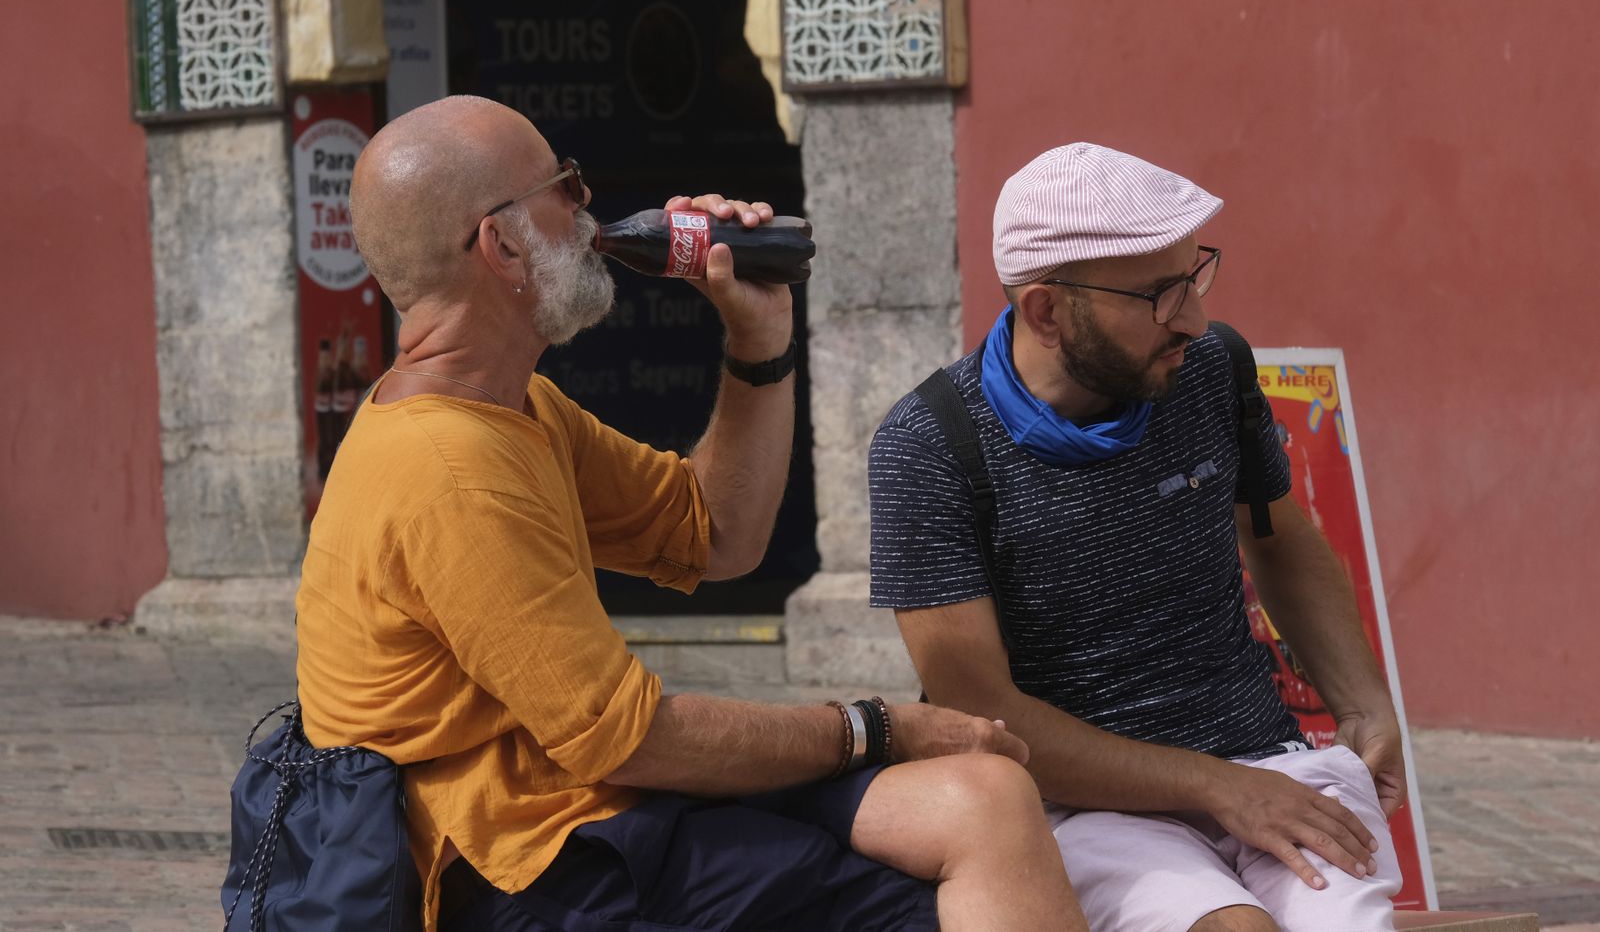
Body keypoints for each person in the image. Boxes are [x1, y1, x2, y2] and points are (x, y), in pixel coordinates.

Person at [295, 95, 1087, 932]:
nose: (588, 205)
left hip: (601, 813)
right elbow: (628, 739)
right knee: (922, 902)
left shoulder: (519, 408)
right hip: (536, 869)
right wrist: (875, 727)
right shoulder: (448, 469)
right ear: (501, 245)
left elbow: (715, 533)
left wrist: (759, 338)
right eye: (564, 185)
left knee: (985, 797)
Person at [868, 142, 1406, 932]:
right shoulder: (931, 447)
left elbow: (1278, 535)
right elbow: (981, 711)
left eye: (1196, 277)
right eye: (1158, 294)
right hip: (1081, 807)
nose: (1192, 316)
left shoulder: (1215, 367)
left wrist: (1365, 703)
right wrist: (1215, 786)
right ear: (1048, 310)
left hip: (1265, 766)